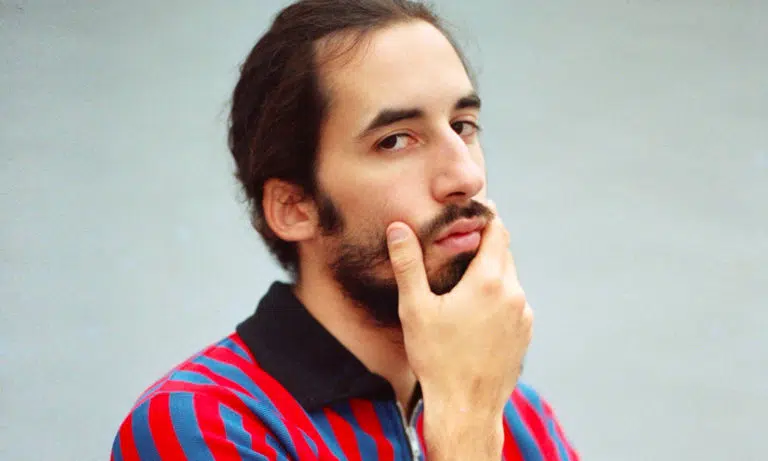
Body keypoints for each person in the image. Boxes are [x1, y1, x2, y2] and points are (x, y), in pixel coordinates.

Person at [111, 0, 580, 459]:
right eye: (395, 140)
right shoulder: (201, 424)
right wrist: (466, 428)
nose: (466, 176)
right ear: (295, 207)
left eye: (463, 125)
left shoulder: (517, 415)